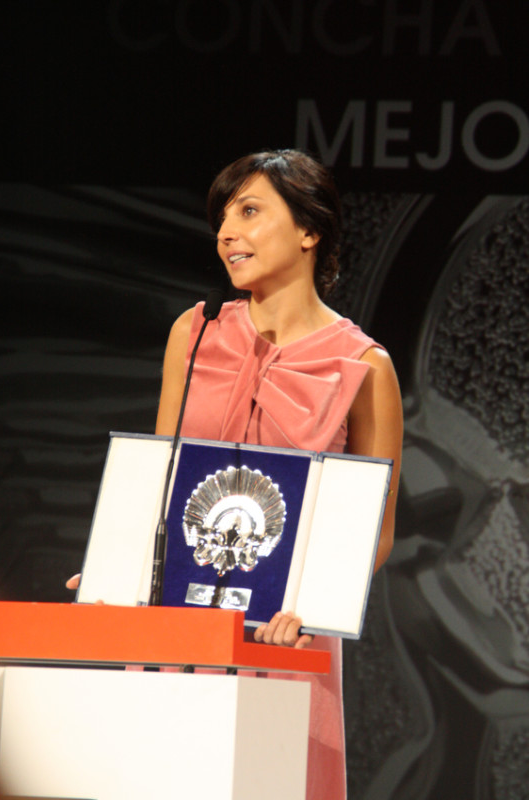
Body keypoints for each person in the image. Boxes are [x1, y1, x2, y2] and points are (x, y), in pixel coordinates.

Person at [155, 149, 403, 799]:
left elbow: (374, 533)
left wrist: (310, 608)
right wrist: (120, 567)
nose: (225, 233)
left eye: (248, 211)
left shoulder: (364, 365)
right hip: (180, 631)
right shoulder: (194, 333)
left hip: (286, 640)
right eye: (222, 218)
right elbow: (159, 482)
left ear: (309, 230)